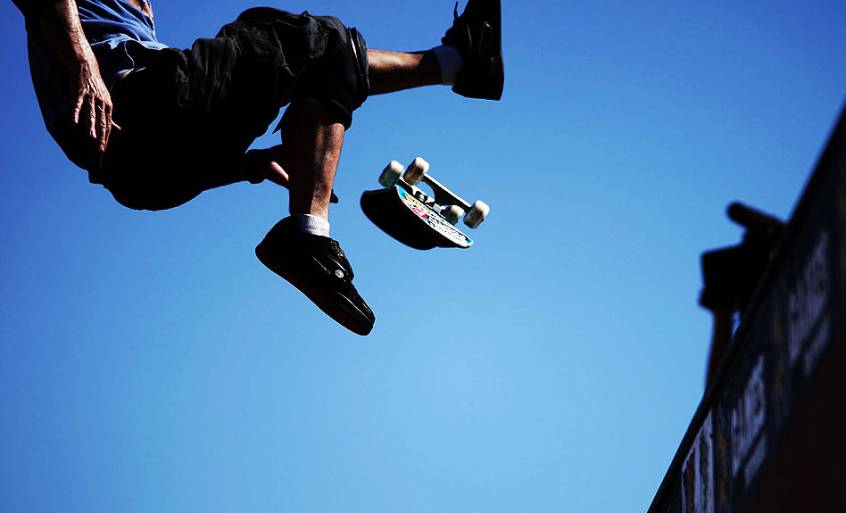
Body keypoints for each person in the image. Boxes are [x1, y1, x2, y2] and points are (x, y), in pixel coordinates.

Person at [11, 0, 504, 336]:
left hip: (144, 173)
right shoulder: (94, 41)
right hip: (138, 101)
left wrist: (248, 163)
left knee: (325, 57)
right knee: (311, 41)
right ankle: (308, 237)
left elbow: (139, 170)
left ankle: (459, 63)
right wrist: (82, 63)